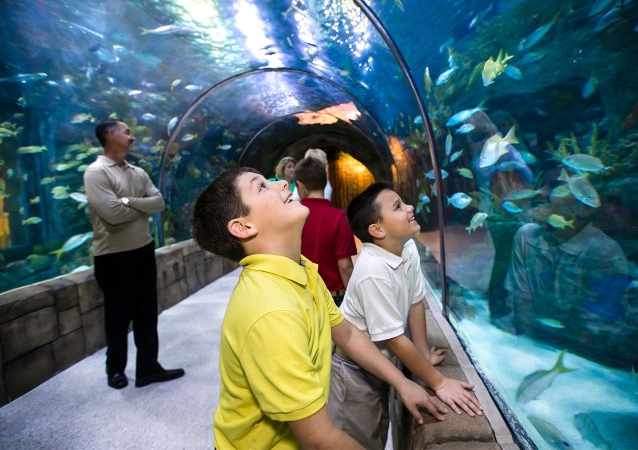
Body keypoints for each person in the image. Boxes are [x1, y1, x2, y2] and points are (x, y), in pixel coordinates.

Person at [191, 168, 448, 450]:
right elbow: (318, 439)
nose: (282, 184)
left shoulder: (302, 269)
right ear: (243, 227)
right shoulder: (271, 313)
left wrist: (402, 383)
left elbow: (347, 334)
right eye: (262, 187)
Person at [329, 182, 483, 449]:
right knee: (361, 436)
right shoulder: (373, 271)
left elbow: (415, 303)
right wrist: (440, 382)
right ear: (377, 230)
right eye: (398, 207)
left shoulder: (407, 248)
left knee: (380, 426)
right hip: (355, 372)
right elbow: (395, 339)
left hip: (385, 362)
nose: (410, 207)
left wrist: (423, 354)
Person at [84, 119, 184, 390]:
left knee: (147, 313)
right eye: (127, 131)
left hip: (143, 249)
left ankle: (148, 368)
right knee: (117, 315)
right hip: (113, 256)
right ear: (111, 135)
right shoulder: (96, 172)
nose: (131, 136)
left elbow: (159, 202)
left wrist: (128, 201)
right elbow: (112, 215)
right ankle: (114, 370)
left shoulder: (137, 172)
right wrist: (141, 207)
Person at [502, 182, 631, 344]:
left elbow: (608, 317)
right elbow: (519, 296)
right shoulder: (533, 237)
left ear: (585, 211)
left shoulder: (605, 251)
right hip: (530, 342)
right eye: (549, 206)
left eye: (556, 210)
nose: (545, 213)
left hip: (580, 349)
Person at [294, 156, 356, 306]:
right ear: (325, 182)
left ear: (299, 185)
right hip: (334, 297)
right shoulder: (339, 218)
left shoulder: (292, 217)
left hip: (304, 297)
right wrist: (354, 301)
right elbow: (345, 266)